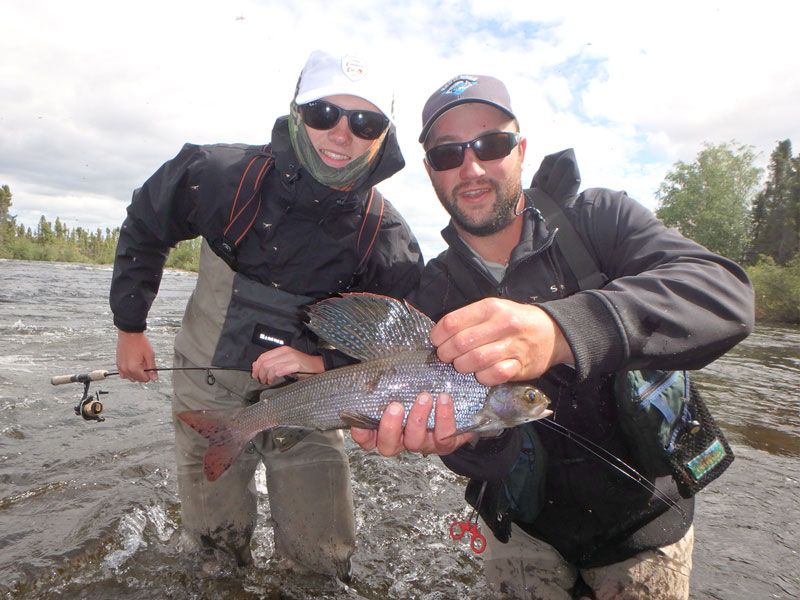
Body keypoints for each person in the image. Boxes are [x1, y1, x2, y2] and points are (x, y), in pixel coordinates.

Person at [351, 74, 754, 599]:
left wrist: (563, 329)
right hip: (522, 531)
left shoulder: (602, 221)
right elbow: (481, 459)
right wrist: (459, 442)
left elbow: (725, 297)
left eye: (490, 145)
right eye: (448, 154)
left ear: (520, 150)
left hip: (647, 528)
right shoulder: (432, 294)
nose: (471, 167)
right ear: (430, 171)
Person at [110, 49, 423, 582]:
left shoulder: (388, 240)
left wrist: (322, 359)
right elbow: (145, 224)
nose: (341, 134)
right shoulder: (215, 174)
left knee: (321, 565)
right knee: (214, 556)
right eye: (325, 113)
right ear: (297, 112)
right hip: (205, 381)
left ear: (382, 135)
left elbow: (400, 345)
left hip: (317, 402)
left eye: (364, 122)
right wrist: (130, 326)